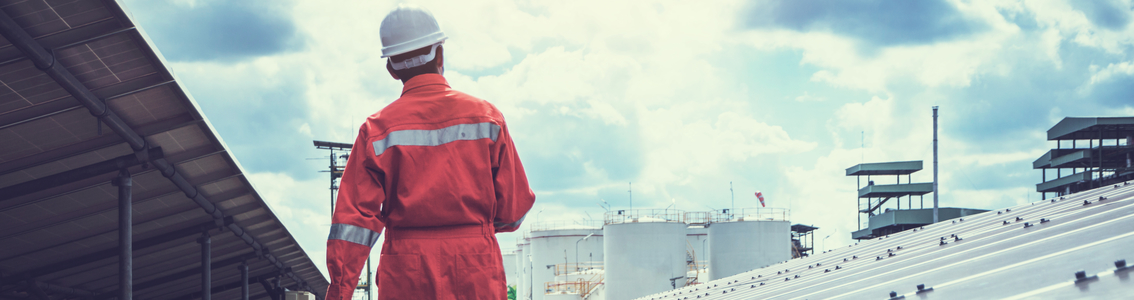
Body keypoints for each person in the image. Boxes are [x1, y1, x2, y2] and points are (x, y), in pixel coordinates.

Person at [325, 5, 535, 300]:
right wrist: (474, 230)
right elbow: (514, 212)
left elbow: (353, 222)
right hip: (475, 261)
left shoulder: (376, 130)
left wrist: (340, 292)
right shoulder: (487, 118)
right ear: (440, 54)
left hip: (405, 267)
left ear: (391, 69)